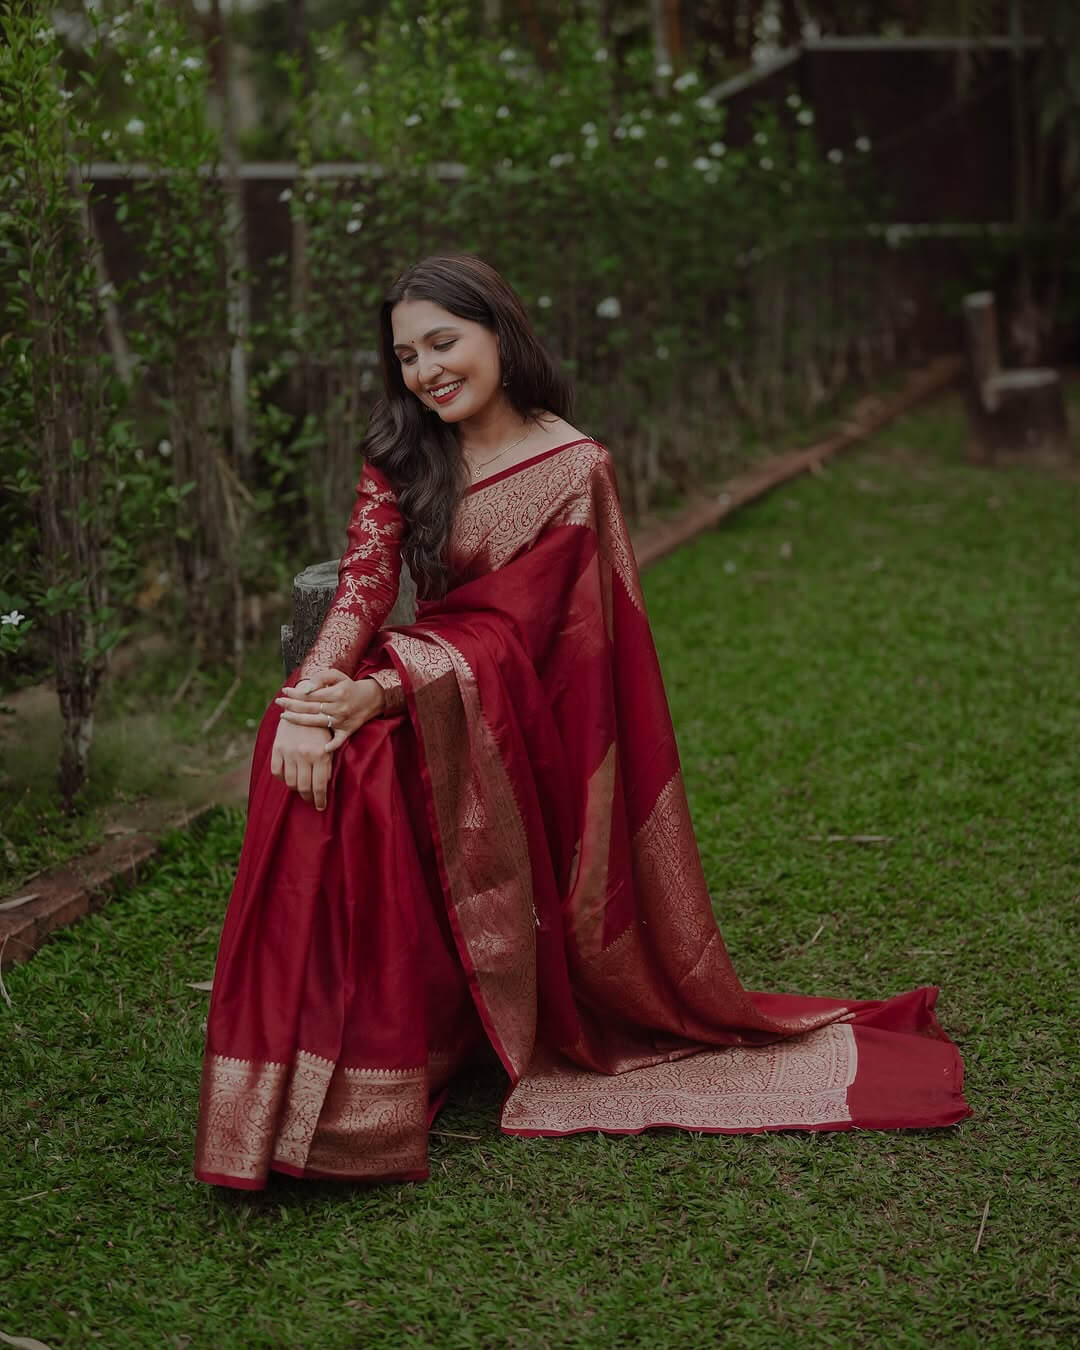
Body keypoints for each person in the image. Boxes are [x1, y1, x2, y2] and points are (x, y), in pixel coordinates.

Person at [194, 255, 969, 1191]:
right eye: (406, 355)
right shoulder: (406, 449)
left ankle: (407, 1054)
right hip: (446, 689)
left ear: (500, 336)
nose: (427, 370)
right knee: (321, 769)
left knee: (363, 761)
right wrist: (307, 707)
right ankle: (351, 1074)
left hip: (526, 723)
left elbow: (531, 637)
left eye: (445, 342)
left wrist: (385, 692)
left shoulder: (573, 468)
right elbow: (363, 585)